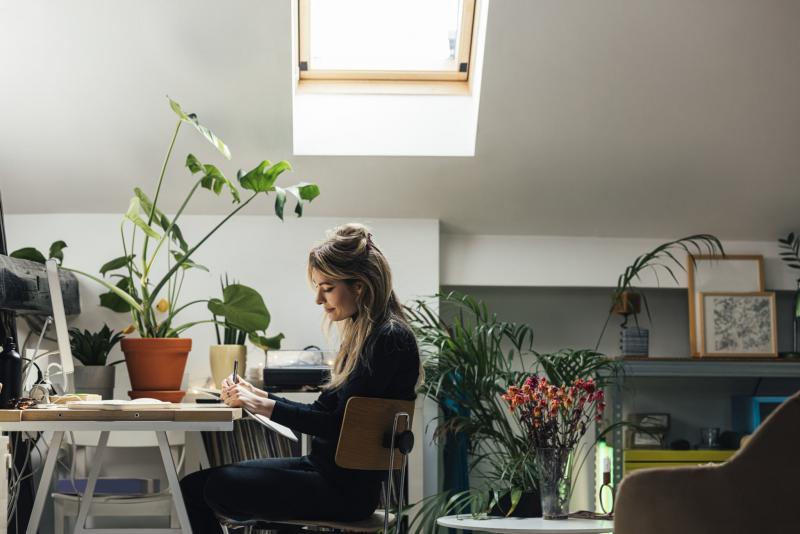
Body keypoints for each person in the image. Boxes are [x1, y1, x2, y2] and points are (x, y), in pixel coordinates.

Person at [180, 223, 422, 534]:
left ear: (359, 285)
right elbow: (325, 411)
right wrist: (260, 396)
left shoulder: (388, 339)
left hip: (344, 492)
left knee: (214, 488)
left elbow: (338, 424)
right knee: (193, 486)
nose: (319, 300)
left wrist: (264, 405)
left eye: (327, 287)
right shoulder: (368, 337)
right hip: (324, 472)